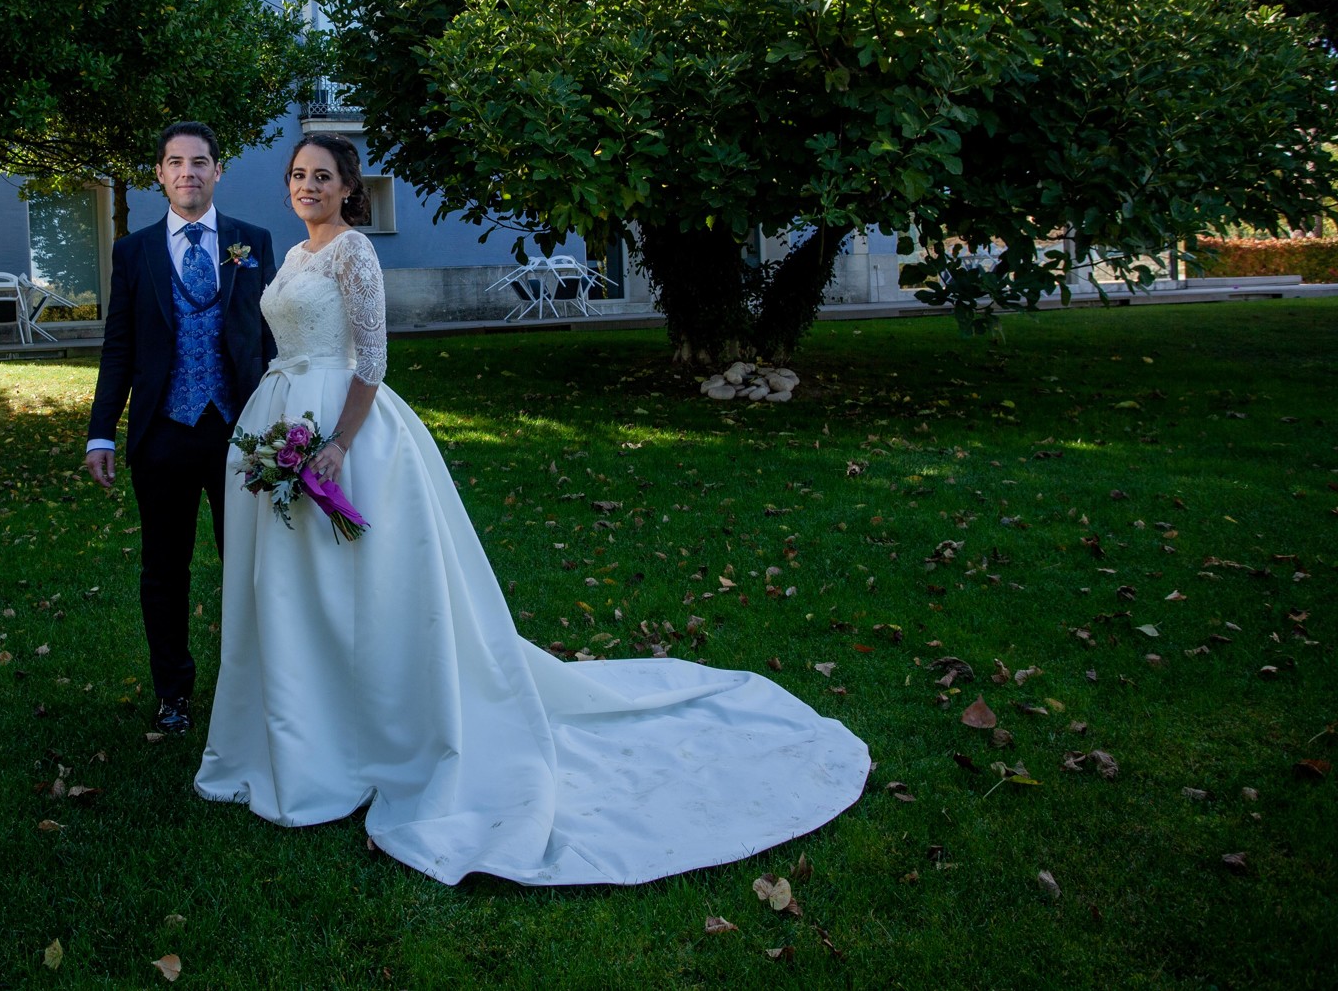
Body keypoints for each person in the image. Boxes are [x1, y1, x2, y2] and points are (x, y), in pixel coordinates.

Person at [196, 134, 871, 885]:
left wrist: (337, 445)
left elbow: (375, 360)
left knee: (353, 587)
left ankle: (366, 730)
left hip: (340, 431)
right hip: (279, 417)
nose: (307, 185)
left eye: (322, 176)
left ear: (350, 187)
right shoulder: (291, 257)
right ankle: (302, 726)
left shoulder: (355, 252)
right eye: (297, 175)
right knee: (293, 589)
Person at [87, 121, 277, 736]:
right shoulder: (134, 251)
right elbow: (119, 346)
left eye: (200, 162)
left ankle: (253, 690)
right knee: (164, 570)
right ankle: (173, 694)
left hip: (239, 434)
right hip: (163, 433)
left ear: (218, 171)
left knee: (247, 567)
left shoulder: (252, 242)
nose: (188, 173)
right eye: (175, 162)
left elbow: (270, 338)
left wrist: (282, 423)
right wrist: (100, 433)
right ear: (160, 174)